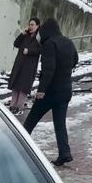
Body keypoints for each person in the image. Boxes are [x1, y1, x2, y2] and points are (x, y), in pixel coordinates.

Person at [22, 17, 78, 167]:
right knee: (60, 123)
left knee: (31, 119)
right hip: (65, 90)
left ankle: (19, 144)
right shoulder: (68, 42)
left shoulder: (49, 44)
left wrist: (41, 90)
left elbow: (49, 69)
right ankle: (65, 153)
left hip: (50, 92)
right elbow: (75, 61)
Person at [8, 18, 42, 115]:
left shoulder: (39, 38)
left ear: (37, 26)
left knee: (23, 87)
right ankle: (12, 105)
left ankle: (19, 107)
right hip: (19, 64)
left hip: (29, 66)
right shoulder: (25, 35)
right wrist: (22, 34)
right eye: (29, 24)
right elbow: (16, 44)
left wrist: (29, 51)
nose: (30, 26)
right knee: (15, 85)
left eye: (32, 25)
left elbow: (41, 50)